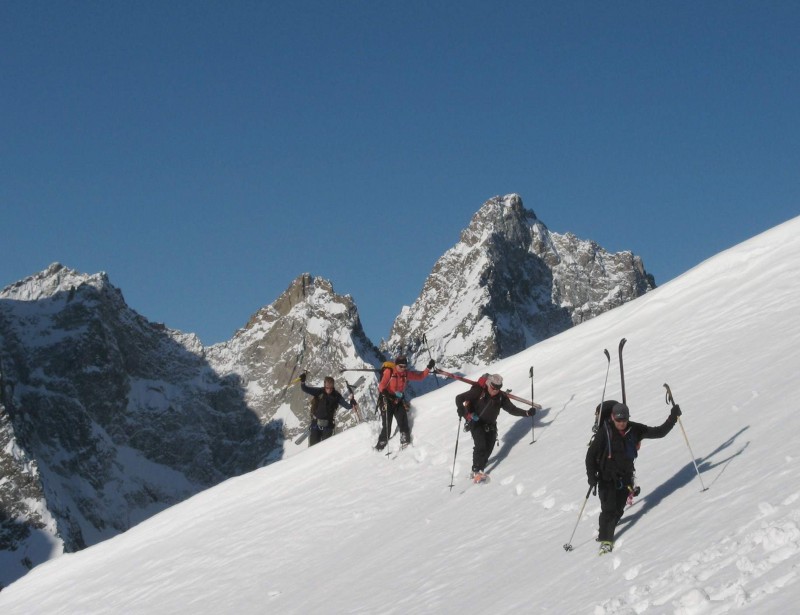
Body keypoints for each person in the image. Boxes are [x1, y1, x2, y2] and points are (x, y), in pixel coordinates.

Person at [586, 400, 682, 554]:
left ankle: (609, 526)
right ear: (612, 417)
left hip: (625, 477)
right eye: (618, 420)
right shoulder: (605, 432)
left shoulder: (634, 429)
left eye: (624, 420)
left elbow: (659, 432)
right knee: (608, 510)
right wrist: (591, 477)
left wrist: (672, 418)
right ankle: (605, 539)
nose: (621, 423)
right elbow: (590, 456)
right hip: (606, 478)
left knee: (618, 509)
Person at [454, 373, 535, 482]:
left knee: (489, 448)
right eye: (494, 387)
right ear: (488, 384)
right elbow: (459, 398)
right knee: (480, 445)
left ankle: (481, 465)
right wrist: (461, 409)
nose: (496, 390)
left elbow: (512, 409)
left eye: (498, 388)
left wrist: (527, 413)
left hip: (491, 425)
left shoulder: (501, 397)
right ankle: (476, 470)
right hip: (475, 422)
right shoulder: (478, 391)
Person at [375, 355, 435, 450]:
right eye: (401, 366)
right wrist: (387, 394)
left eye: (404, 366)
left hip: (397, 400)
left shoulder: (406, 374)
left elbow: (420, 377)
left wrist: (428, 367)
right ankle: (381, 444)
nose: (403, 368)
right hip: (386, 400)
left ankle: (404, 439)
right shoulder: (389, 372)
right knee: (387, 425)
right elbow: (381, 386)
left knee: (403, 421)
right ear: (396, 365)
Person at [299, 374, 356, 446]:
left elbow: (347, 406)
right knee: (313, 448)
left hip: (328, 426)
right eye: (327, 388)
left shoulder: (336, 395)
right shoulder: (319, 391)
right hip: (315, 424)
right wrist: (303, 381)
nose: (329, 390)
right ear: (324, 386)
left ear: (333, 386)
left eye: (331, 388)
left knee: (325, 448)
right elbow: (305, 389)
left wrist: (352, 401)